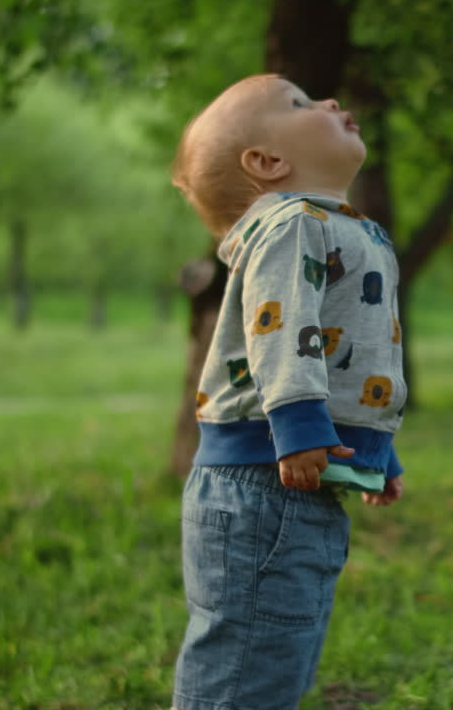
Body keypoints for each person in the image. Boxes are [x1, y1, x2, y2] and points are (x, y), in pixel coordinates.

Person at [168, 74, 406, 710]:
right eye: (300, 104)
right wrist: (300, 429)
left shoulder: (334, 226)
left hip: (298, 476)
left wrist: (377, 451)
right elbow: (282, 330)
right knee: (244, 661)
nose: (329, 102)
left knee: (280, 651)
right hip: (263, 481)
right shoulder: (290, 224)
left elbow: (356, 353)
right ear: (268, 162)